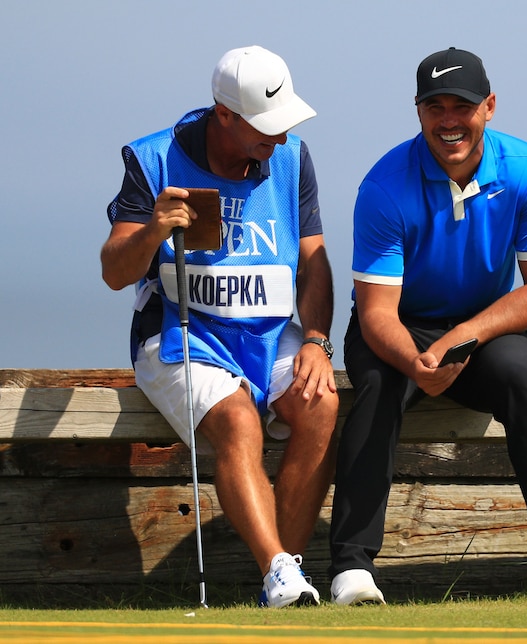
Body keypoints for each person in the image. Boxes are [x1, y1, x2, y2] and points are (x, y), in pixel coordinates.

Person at [328, 47, 527, 604]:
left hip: (483, 328)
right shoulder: (384, 186)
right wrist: (418, 361)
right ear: (417, 112)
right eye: (433, 106)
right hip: (400, 325)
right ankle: (351, 567)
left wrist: (461, 339)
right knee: (377, 386)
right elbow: (375, 314)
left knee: (520, 382)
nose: (448, 121)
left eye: (461, 106)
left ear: (488, 106)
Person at [100, 46, 338, 608]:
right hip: (180, 334)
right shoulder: (152, 157)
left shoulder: (293, 158)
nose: (278, 140)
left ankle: (286, 576)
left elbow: (316, 265)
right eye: (266, 127)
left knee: (321, 403)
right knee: (236, 418)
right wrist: (152, 230)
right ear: (224, 114)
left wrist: (316, 341)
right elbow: (114, 272)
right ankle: (279, 572)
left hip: (267, 333)